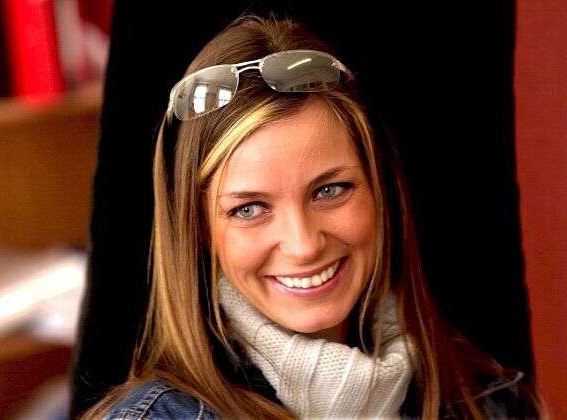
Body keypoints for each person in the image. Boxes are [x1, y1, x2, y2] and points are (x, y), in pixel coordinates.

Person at [80, 14, 543, 419]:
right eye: (249, 209)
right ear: (199, 229)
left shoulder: (492, 402)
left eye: (330, 190)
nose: (303, 245)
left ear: (380, 191)